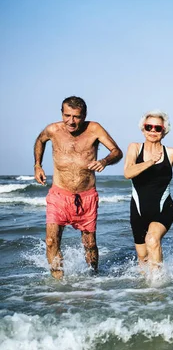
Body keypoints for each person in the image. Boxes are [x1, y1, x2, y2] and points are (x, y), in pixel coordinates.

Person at [33, 96, 123, 279]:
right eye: (67, 115)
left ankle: (92, 278)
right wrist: (37, 165)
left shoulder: (94, 129)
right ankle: (58, 283)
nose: (71, 121)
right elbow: (40, 140)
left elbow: (117, 151)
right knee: (51, 241)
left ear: (84, 115)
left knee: (89, 243)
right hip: (59, 194)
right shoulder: (53, 129)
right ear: (61, 113)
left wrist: (104, 161)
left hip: (86, 196)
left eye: (76, 116)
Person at [124, 110, 173, 271]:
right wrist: (150, 162)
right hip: (138, 210)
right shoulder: (135, 148)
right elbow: (128, 172)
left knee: (152, 239)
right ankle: (145, 292)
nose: (152, 131)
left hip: (163, 208)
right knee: (142, 256)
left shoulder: (170, 153)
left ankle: (158, 287)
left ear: (164, 131)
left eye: (158, 128)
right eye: (148, 127)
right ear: (143, 129)